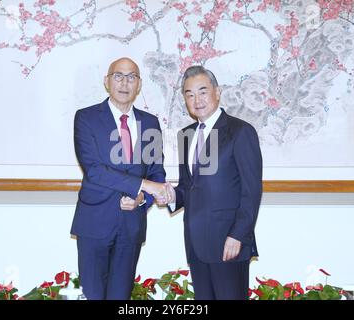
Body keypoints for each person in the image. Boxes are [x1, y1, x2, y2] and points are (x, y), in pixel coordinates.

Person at [71, 57, 168, 300]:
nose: (124, 83)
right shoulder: (86, 118)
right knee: (92, 295)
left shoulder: (150, 123)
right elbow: (94, 170)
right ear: (107, 81)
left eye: (131, 77)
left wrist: (142, 198)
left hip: (131, 225)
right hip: (95, 222)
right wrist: (144, 185)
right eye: (118, 76)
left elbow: (156, 171)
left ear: (139, 84)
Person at [164, 65, 263, 300]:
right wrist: (170, 196)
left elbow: (252, 191)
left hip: (229, 243)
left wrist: (238, 235)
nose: (196, 100)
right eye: (189, 94)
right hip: (196, 242)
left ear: (217, 92)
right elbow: (188, 186)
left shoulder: (240, 132)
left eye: (202, 91)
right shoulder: (185, 135)